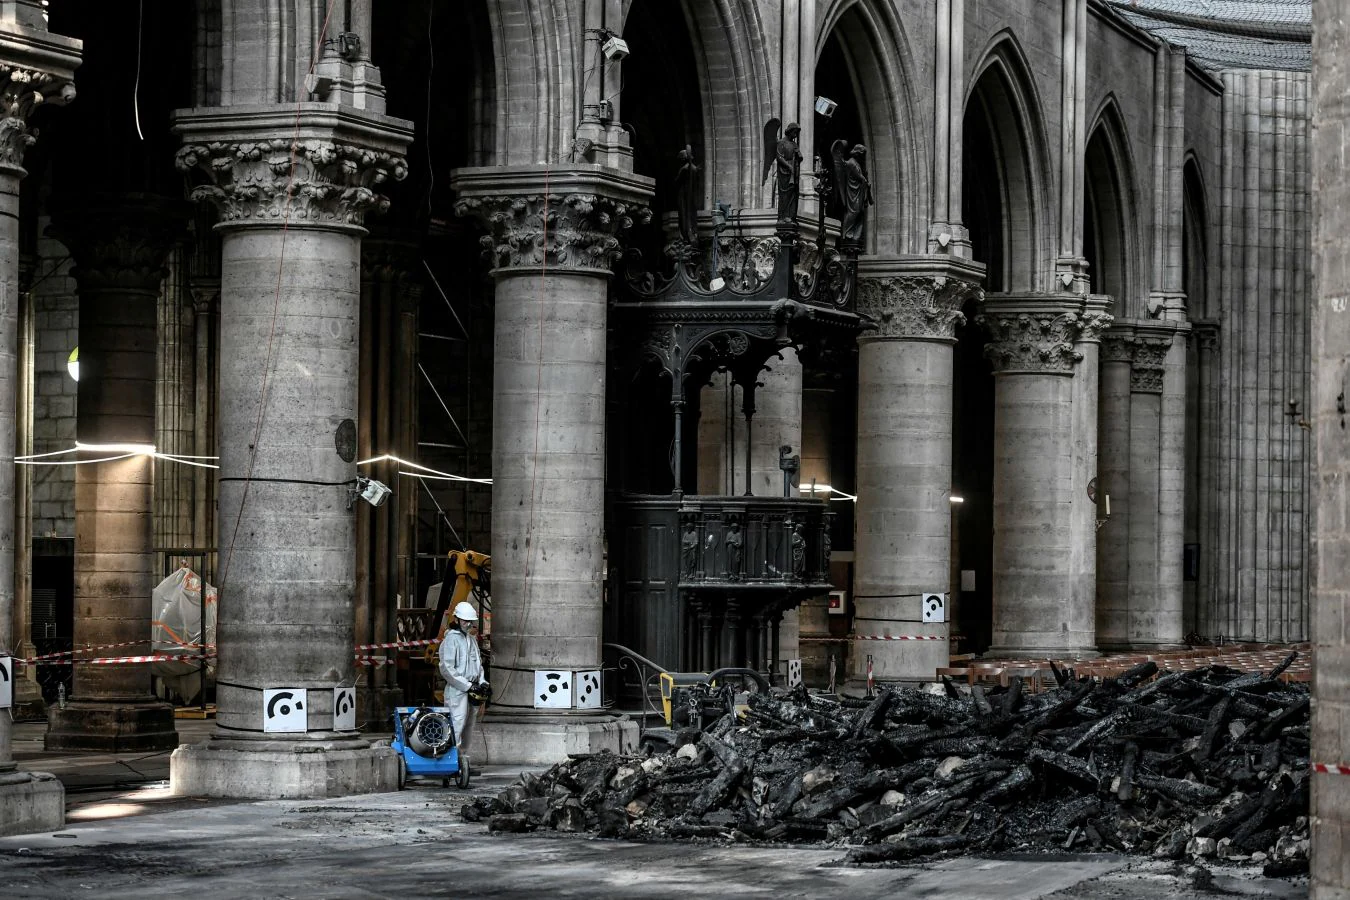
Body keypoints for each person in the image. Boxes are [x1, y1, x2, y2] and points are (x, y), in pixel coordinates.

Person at [438, 600, 485, 773]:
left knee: (468, 725)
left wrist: (482, 683)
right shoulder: (451, 640)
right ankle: (450, 761)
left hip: (472, 688)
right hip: (457, 690)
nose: (468, 624)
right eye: (465, 621)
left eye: (470, 621)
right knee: (456, 723)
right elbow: (447, 669)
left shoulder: (471, 640)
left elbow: (478, 665)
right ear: (457, 619)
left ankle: (463, 762)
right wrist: (466, 685)